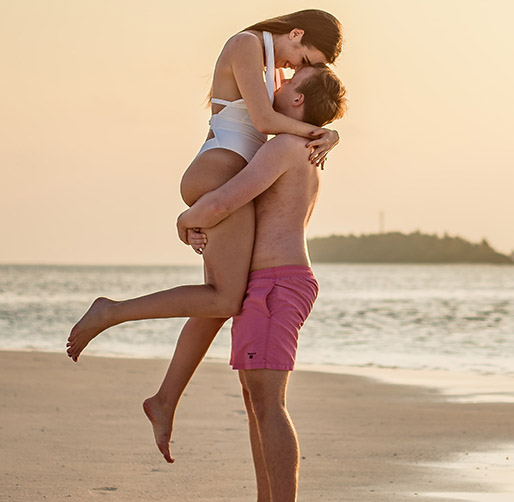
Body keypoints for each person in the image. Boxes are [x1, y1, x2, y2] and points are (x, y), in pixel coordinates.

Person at [66, 10, 343, 460]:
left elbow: (288, 116)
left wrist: (325, 131)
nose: (293, 70)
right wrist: (322, 133)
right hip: (216, 174)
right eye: (301, 56)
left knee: (220, 300)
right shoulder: (247, 45)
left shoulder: (272, 62)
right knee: (223, 297)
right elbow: (269, 123)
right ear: (296, 33)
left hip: (227, 181)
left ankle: (165, 400)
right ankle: (110, 312)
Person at [176, 63, 346, 502]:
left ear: (297, 102)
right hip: (274, 284)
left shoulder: (287, 147)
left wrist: (186, 220)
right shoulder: (297, 146)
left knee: (268, 406)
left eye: (290, 82)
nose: (280, 82)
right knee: (257, 404)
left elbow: (230, 198)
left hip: (275, 284)